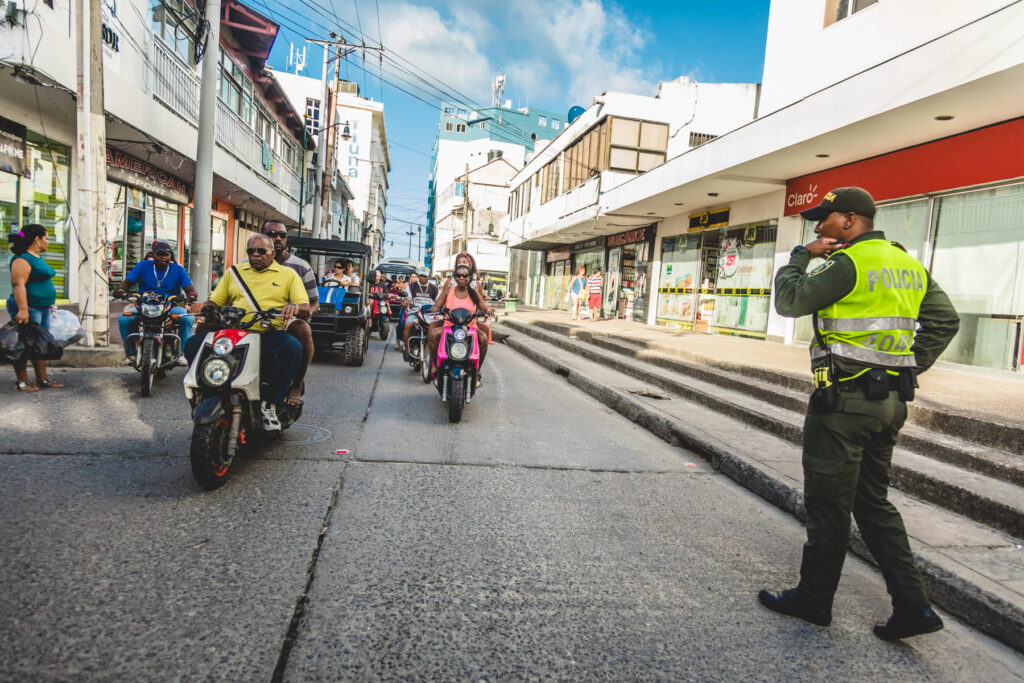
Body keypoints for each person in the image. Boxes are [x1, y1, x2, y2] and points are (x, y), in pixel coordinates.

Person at [759, 186, 960, 641]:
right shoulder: (908, 264)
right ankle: (914, 607)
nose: (818, 226)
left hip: (843, 404)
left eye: (825, 219)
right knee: (874, 504)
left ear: (849, 221)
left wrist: (799, 255)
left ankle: (813, 601)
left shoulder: (847, 262)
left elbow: (790, 301)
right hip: (890, 404)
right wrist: (903, 367)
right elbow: (946, 321)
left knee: (830, 505)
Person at [186, 234, 309, 431]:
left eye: (261, 251)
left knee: (293, 348)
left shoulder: (288, 275)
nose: (255, 255)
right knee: (193, 344)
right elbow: (215, 301)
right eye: (251, 251)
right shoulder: (234, 272)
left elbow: (304, 305)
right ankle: (204, 393)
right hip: (235, 332)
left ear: (273, 253)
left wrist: (293, 307)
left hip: (267, 333)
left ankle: (271, 404)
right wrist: (202, 306)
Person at [114, 239, 197, 365]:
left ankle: (181, 354)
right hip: (144, 305)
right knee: (124, 319)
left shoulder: (178, 270)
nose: (162, 257)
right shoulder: (142, 266)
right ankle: (131, 354)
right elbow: (126, 283)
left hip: (170, 305)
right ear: (153, 254)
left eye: (165, 255)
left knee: (187, 319)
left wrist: (191, 295)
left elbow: (190, 289)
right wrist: (121, 290)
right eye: (159, 254)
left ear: (170, 256)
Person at [263, 221, 319, 406]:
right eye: (272, 234)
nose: (277, 238)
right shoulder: (246, 265)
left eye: (282, 235)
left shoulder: (300, 267)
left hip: (287, 318)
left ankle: (297, 383)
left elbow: (313, 303)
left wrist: (304, 312)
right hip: (252, 317)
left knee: (303, 330)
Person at [6, 224, 62, 391]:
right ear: (37, 240)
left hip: (43, 308)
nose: (48, 242)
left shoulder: (36, 257)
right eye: (46, 239)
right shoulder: (22, 259)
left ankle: (42, 379)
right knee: (23, 344)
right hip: (29, 308)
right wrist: (23, 310)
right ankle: (22, 382)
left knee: (40, 343)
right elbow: (18, 285)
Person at [427, 265, 488, 384]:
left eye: (465, 275)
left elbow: (484, 308)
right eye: (458, 275)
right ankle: (436, 366)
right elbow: (437, 305)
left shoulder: (473, 292)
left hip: (470, 328)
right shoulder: (449, 290)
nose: (461, 278)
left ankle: (477, 371)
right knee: (433, 335)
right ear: (454, 277)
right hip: (449, 327)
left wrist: (488, 312)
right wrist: (434, 309)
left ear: (470, 277)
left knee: (484, 338)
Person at [400, 267, 441, 360]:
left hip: (429, 315)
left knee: (438, 330)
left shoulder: (434, 288)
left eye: (425, 276)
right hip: (415, 313)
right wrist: (406, 302)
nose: (422, 278)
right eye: (421, 276)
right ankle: (406, 350)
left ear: (428, 277)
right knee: (408, 326)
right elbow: (407, 298)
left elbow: (439, 300)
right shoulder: (411, 287)